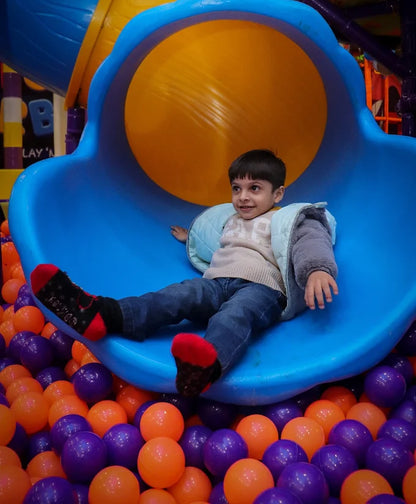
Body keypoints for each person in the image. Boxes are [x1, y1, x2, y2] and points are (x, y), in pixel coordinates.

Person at [30, 149, 338, 397]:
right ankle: (102, 315)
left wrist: (317, 270)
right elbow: (209, 241)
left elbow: (311, 240)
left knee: (234, 315)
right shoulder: (231, 218)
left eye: (255, 189)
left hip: (261, 289)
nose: (243, 197)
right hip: (216, 282)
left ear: (278, 194)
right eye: (237, 188)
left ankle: (206, 367)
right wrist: (189, 238)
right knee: (176, 295)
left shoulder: (287, 218)